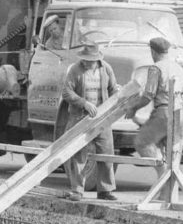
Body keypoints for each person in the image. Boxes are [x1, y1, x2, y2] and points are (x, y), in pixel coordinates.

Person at [60, 39, 119, 202]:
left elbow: (113, 89)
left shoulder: (106, 68)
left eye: (90, 60)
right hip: (80, 118)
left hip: (102, 118)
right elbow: (66, 92)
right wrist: (84, 103)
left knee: (106, 152)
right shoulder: (75, 70)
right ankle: (77, 190)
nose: (87, 62)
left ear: (96, 59)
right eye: (85, 59)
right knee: (79, 154)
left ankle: (105, 190)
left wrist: (118, 97)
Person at [124, 36, 177, 180]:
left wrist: (133, 108)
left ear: (153, 52)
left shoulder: (156, 68)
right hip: (179, 114)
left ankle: (163, 177)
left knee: (142, 142)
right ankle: (167, 190)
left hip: (164, 114)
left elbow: (148, 95)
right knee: (169, 151)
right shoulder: (178, 67)